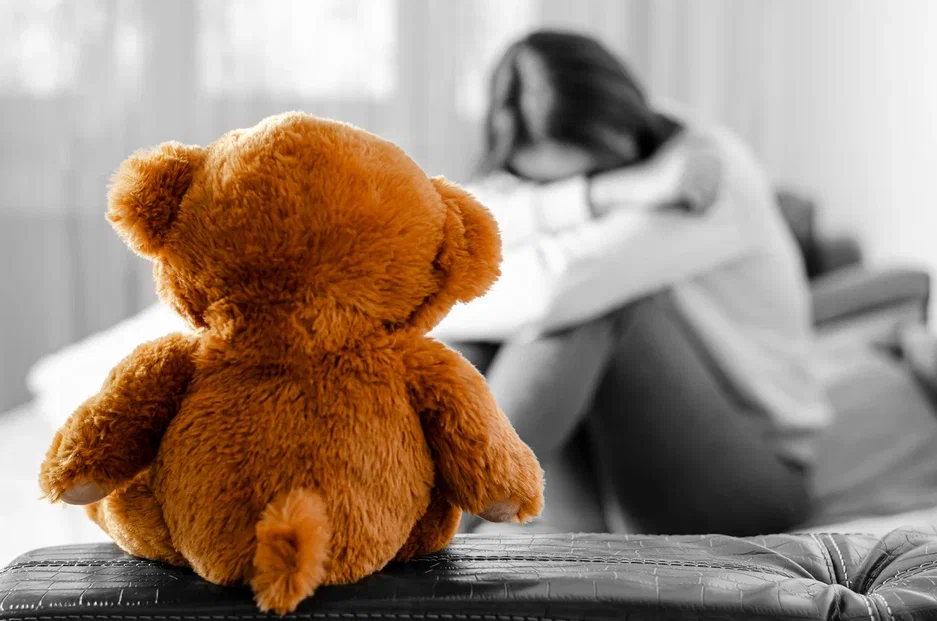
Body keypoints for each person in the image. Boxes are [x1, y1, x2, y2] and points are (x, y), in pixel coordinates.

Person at [430, 30, 834, 536]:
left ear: (624, 137)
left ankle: (428, 529)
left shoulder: (708, 173)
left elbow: (547, 291)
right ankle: (386, 509)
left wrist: (447, 292)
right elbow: (455, 239)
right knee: (472, 329)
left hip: (753, 477)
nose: (561, 194)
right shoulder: (607, 161)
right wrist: (599, 193)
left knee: (591, 304)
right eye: (545, 186)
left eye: (589, 176)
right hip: (612, 477)